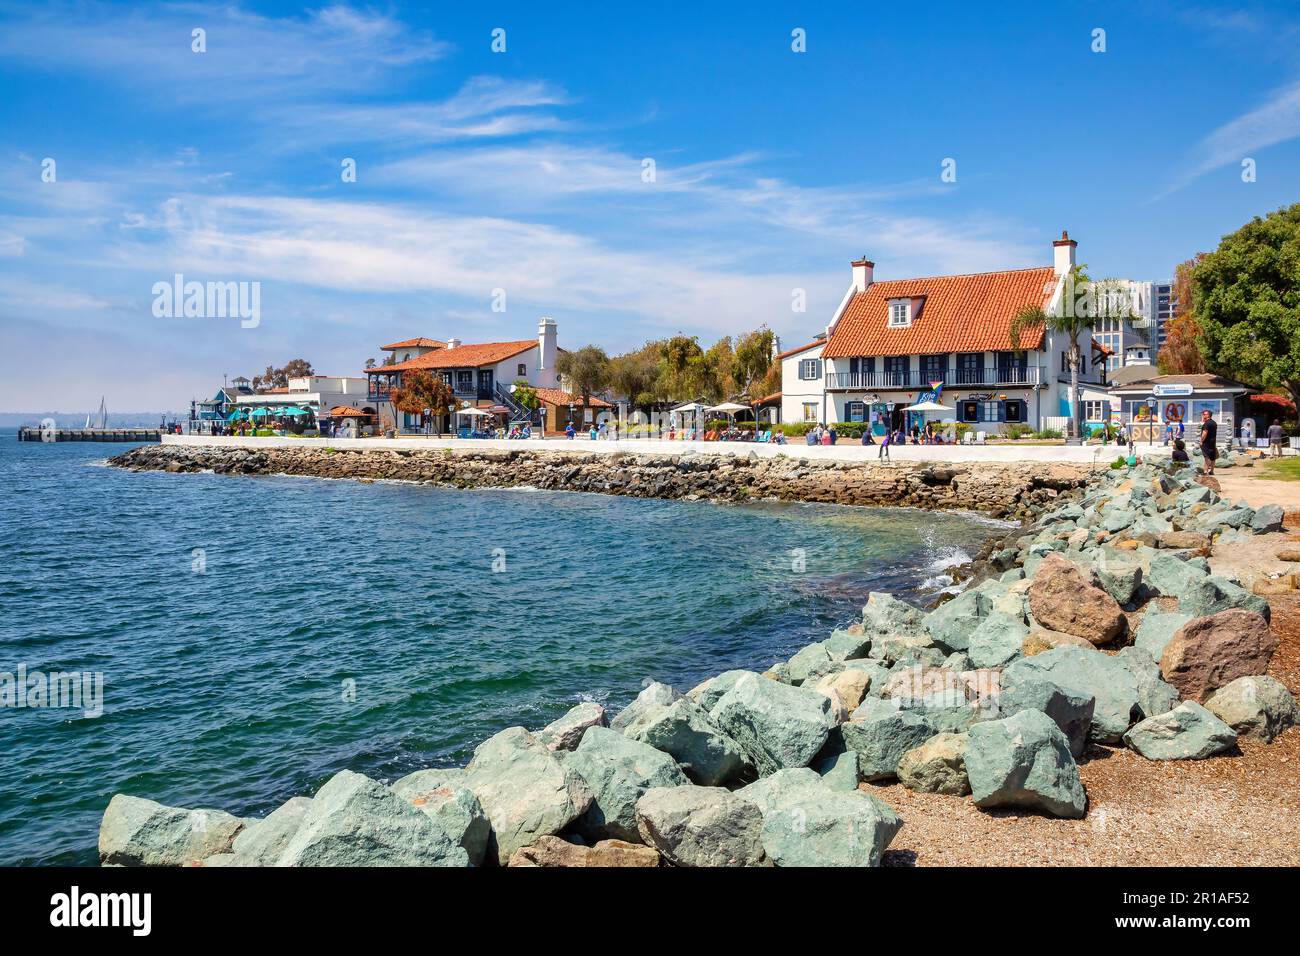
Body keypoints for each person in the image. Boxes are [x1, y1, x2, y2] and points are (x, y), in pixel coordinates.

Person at [1199, 409, 1218, 475]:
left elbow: (1204, 433)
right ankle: (1212, 471)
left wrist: (1201, 441)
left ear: (1208, 415)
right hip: (1213, 442)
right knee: (1213, 457)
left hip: (1206, 442)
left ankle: (1205, 471)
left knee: (1207, 457)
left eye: (1204, 414)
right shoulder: (1214, 423)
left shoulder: (1206, 424)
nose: (1203, 415)